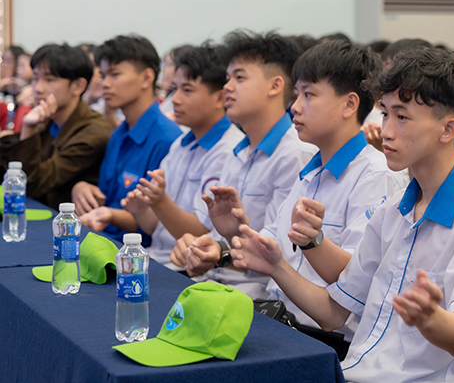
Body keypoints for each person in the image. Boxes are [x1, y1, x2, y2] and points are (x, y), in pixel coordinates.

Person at [230, 46, 454, 382]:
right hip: (354, 371)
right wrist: (276, 266)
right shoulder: (392, 211)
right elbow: (334, 313)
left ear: (448, 129)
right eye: (385, 114)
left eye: (402, 117)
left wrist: (431, 318)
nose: (386, 131)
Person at [174, 39, 404, 330]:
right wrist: (225, 246)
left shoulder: (375, 176)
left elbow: (355, 279)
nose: (294, 107)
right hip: (278, 318)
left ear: (349, 104)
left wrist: (311, 244)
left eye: (309, 95)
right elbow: (271, 245)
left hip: (322, 336)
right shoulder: (311, 172)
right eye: (297, 94)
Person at [167, 31, 316, 294]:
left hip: (259, 296)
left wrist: (220, 253)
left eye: (239, 78)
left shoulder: (295, 154)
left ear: (275, 86)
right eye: (228, 78)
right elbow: (219, 235)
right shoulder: (237, 151)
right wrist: (198, 247)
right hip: (214, 283)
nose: (227, 87)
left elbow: (279, 253)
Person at [118, 44, 245, 270]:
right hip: (158, 259)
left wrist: (160, 201)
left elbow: (200, 234)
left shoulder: (229, 151)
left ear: (220, 98)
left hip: (188, 270)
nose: (175, 99)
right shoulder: (181, 145)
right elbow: (156, 228)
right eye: (174, 89)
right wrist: (141, 209)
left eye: (187, 90)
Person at [73, 35, 182, 244]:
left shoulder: (167, 140)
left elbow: (156, 225)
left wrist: (110, 215)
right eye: (103, 75)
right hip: (102, 239)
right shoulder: (119, 134)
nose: (105, 84)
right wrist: (82, 188)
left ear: (146, 78)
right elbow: (107, 198)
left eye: (114, 75)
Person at [0, 44, 113, 208]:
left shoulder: (93, 131)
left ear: (78, 86)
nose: (38, 88)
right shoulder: (50, 118)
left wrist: (28, 129)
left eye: (49, 80)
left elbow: (34, 185)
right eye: (36, 78)